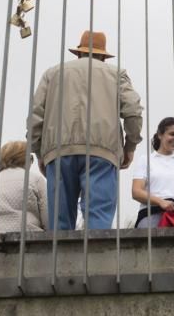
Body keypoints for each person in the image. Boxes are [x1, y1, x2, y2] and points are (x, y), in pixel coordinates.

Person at [28, 30, 143, 230]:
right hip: (102, 152)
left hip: (59, 152)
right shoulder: (117, 74)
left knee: (60, 223)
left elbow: (35, 117)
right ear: (103, 56)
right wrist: (130, 146)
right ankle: (93, 260)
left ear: (79, 53)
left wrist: (39, 152)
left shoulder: (52, 73)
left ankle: (62, 260)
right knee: (98, 220)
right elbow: (133, 111)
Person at [0, 140, 49, 234]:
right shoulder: (36, 180)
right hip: (28, 240)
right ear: (24, 158)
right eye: (31, 158)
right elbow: (48, 218)